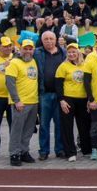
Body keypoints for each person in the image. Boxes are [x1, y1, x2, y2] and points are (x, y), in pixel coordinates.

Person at [4, 38, 41, 166]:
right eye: (25, 48)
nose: (28, 51)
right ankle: (14, 153)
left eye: (30, 49)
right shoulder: (14, 63)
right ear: (20, 49)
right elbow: (10, 83)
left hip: (33, 101)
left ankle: (24, 151)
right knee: (17, 129)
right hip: (20, 103)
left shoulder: (34, 62)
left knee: (29, 129)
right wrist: (16, 100)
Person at [54, 42, 92, 162]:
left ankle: (87, 149)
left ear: (78, 52)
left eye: (74, 52)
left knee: (84, 125)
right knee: (67, 126)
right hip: (68, 99)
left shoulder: (85, 65)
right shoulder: (63, 66)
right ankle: (70, 152)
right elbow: (58, 85)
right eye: (69, 52)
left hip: (83, 99)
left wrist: (89, 99)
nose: (71, 54)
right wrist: (61, 100)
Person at [34, 30, 66, 160]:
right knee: (44, 125)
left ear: (56, 39)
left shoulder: (63, 53)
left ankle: (60, 149)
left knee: (60, 124)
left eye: (51, 39)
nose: (49, 41)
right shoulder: (37, 53)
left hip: (60, 95)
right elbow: (22, 56)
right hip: (44, 94)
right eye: (46, 39)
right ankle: (44, 150)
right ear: (42, 40)